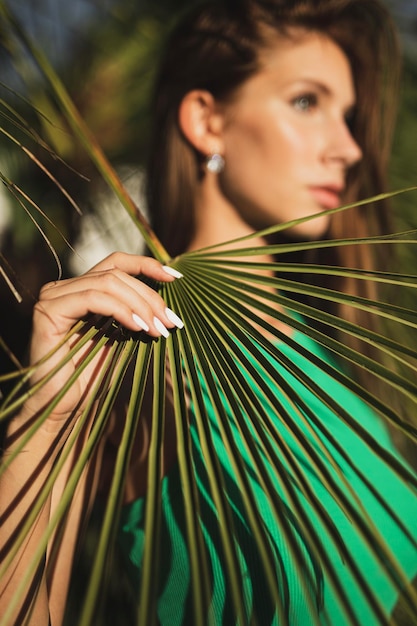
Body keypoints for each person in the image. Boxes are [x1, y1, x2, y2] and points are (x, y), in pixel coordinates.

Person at [1, 0, 417, 624]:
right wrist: (49, 409)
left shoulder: (326, 355)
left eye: (349, 115)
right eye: (307, 101)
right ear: (207, 121)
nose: (349, 148)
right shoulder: (137, 343)